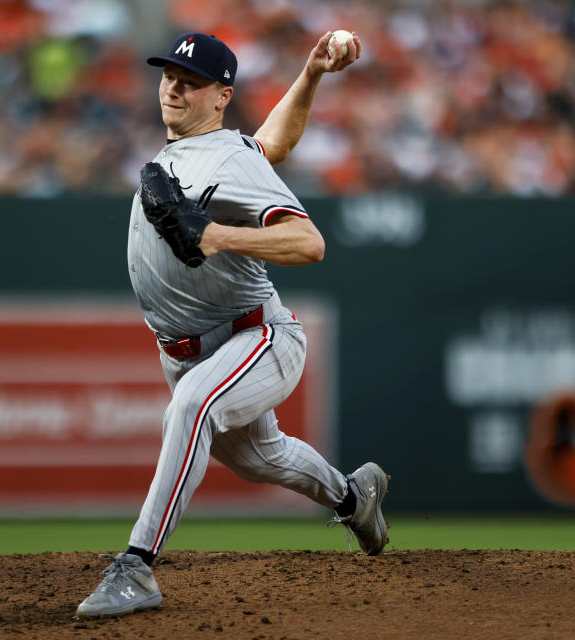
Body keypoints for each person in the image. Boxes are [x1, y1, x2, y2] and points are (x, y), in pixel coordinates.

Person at [76, 30, 389, 618]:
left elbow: (309, 241)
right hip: (190, 349)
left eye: (190, 83)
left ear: (221, 97)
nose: (173, 87)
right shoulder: (202, 153)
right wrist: (312, 75)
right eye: (169, 76)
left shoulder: (222, 156)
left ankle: (136, 568)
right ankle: (355, 494)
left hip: (257, 335)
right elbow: (271, 142)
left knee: (194, 405)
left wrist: (218, 235)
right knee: (261, 458)